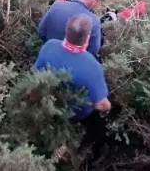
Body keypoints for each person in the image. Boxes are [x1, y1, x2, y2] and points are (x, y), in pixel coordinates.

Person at [34, 14, 111, 160]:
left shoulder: (49, 46)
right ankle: (93, 152)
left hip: (51, 105)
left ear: (66, 31)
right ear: (88, 38)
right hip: (78, 112)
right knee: (99, 127)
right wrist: (102, 105)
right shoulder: (92, 66)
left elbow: (36, 73)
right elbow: (103, 105)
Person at [38, 0, 105, 58]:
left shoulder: (57, 5)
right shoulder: (94, 21)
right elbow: (92, 51)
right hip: (72, 64)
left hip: (48, 55)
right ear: (95, 0)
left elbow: (41, 32)